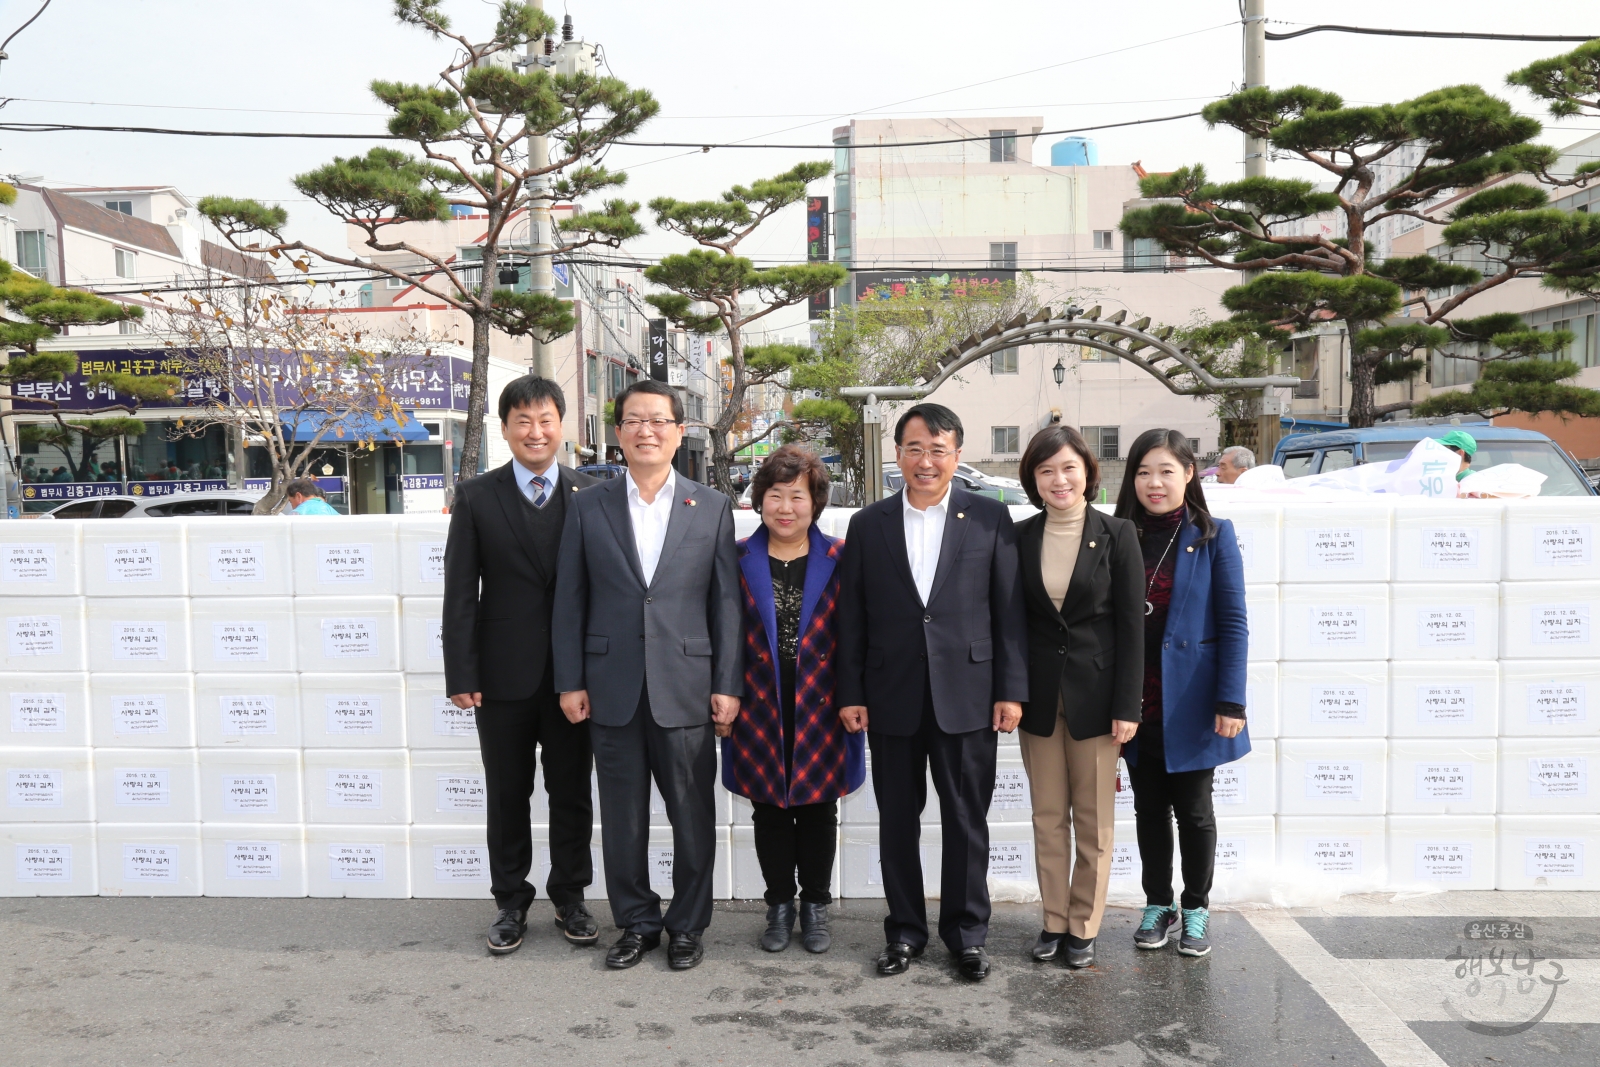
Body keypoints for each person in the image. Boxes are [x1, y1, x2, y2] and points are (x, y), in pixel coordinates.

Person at [553, 379, 742, 972]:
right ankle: (636, 921)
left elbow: (725, 604)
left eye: (658, 420)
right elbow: (570, 600)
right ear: (617, 433)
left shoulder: (710, 506)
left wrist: (727, 684)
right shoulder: (588, 505)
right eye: (634, 420)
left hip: (686, 687)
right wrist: (570, 680)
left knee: (692, 817)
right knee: (623, 819)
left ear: (679, 431)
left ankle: (688, 924)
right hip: (610, 688)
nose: (646, 431)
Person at [836, 402, 1027, 982]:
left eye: (938, 450)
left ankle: (967, 936)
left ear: (957, 456)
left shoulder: (990, 519)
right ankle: (905, 933)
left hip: (969, 694)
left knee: (967, 818)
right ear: (898, 454)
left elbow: (1009, 612)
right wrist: (851, 691)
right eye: (915, 448)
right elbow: (852, 619)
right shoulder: (868, 525)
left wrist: (1011, 690)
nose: (926, 461)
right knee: (897, 819)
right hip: (890, 693)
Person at [443, 376, 600, 956]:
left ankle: (571, 897)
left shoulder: (591, 494)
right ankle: (510, 901)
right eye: (523, 422)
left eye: (546, 420)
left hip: (572, 679)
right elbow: (460, 591)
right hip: (501, 677)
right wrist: (462, 673)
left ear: (563, 425)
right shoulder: (479, 497)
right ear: (505, 429)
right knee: (507, 793)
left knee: (571, 793)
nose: (536, 432)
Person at [722, 444, 864, 955]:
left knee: (820, 810)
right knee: (770, 811)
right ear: (760, 500)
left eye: (797, 496)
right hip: (759, 702)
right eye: (775, 495)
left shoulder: (842, 557)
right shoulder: (737, 557)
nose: (786, 507)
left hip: (824, 703)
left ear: (816, 502)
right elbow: (723, 632)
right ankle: (779, 906)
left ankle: (816, 906)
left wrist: (856, 695)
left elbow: (858, 635)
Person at [1115, 429, 1249, 959]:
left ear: (1190, 474)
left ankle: (1196, 908)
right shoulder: (1117, 532)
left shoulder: (1214, 534)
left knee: (1193, 810)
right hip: (1135, 697)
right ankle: (1158, 903)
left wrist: (1230, 701)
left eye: (1167, 471)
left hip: (1192, 696)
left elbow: (1234, 621)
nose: (1154, 482)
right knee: (1148, 809)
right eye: (1144, 471)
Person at [1013, 425, 1144, 969]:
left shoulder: (1118, 535)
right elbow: (1014, 624)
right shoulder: (1020, 538)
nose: (1059, 479)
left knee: (1093, 822)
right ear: (1033, 480)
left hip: (1098, 699)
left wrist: (1127, 707)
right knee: (1047, 816)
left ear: (1088, 472)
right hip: (1039, 701)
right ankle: (1053, 920)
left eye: (1068, 468)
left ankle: (1084, 927)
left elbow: (1132, 628)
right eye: (1046, 471)